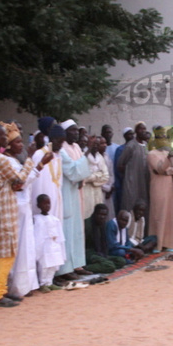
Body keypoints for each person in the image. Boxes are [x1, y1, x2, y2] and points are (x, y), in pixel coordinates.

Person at [0, 123, 48, 306]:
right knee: (6, 253)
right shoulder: (1, 159)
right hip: (3, 209)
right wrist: (30, 158)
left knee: (1, 252)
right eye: (3, 136)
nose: (6, 138)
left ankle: (2, 290)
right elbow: (19, 182)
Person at [56, 120, 92, 280]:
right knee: (67, 230)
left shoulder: (76, 147)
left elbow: (83, 170)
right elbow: (72, 170)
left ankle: (77, 264)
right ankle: (65, 269)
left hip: (77, 191)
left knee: (77, 229)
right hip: (66, 192)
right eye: (72, 130)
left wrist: (80, 179)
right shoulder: (60, 148)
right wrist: (89, 150)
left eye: (77, 130)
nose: (76, 133)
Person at [147, 137, 173, 251]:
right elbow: (159, 169)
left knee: (169, 214)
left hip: (169, 187)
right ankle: (157, 244)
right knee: (159, 214)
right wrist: (168, 163)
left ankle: (168, 243)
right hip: (158, 187)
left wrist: (167, 171)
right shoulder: (151, 154)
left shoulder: (167, 152)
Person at [34, 193, 66, 291]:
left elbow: (59, 234)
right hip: (44, 246)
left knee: (53, 265)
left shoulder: (54, 219)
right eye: (44, 204)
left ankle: (50, 282)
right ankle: (43, 283)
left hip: (54, 245)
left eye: (48, 204)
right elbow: (37, 234)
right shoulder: (36, 218)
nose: (47, 206)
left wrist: (59, 243)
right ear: (38, 205)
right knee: (44, 266)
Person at [117, 122, 150, 214]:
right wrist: (129, 175)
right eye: (140, 129)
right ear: (136, 131)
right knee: (130, 206)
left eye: (144, 129)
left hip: (143, 183)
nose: (143, 131)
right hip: (132, 183)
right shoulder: (131, 145)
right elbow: (120, 164)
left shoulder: (146, 146)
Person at [84, 204, 127, 274]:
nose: (102, 217)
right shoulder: (87, 225)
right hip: (89, 254)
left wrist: (102, 254)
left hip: (99, 253)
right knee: (110, 266)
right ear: (95, 213)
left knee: (121, 261)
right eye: (100, 214)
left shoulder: (103, 225)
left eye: (104, 215)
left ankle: (100, 265)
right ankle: (85, 268)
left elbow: (104, 244)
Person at [83, 136, 113, 220]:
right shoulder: (83, 157)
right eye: (93, 144)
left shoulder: (100, 158)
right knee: (87, 217)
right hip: (86, 192)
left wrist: (93, 178)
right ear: (89, 144)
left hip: (98, 192)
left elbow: (105, 177)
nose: (95, 146)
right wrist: (98, 175)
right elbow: (84, 177)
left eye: (97, 144)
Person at [112, 127, 134, 214]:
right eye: (129, 134)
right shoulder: (120, 149)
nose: (132, 136)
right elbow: (118, 167)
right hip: (122, 182)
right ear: (125, 136)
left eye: (132, 134)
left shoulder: (137, 147)